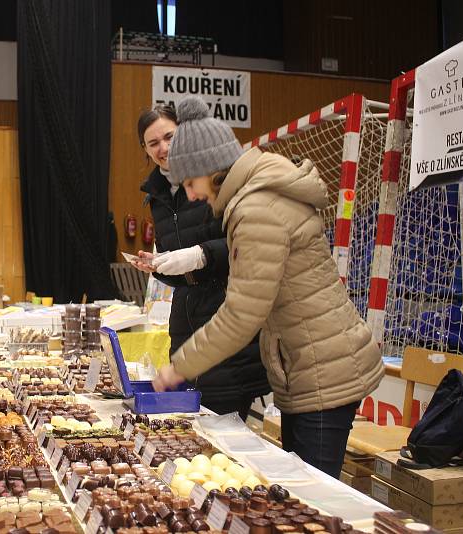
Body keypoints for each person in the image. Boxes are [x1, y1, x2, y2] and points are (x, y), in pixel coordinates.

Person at [152, 96, 384, 478]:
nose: (191, 195)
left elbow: (242, 313)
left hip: (323, 371)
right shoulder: (255, 197)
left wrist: (179, 368)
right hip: (306, 367)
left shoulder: (255, 208)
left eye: (190, 182)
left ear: (211, 170)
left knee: (313, 502)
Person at [130, 105, 269, 418]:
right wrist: (161, 266)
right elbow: (181, 268)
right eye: (153, 143)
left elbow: (243, 244)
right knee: (192, 421)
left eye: (168, 137)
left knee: (224, 415)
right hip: (186, 321)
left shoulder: (227, 182)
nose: (163, 148)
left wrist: (200, 254)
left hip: (225, 313)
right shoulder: (156, 195)